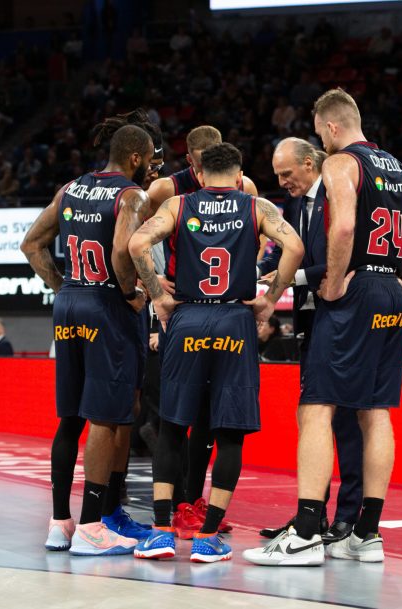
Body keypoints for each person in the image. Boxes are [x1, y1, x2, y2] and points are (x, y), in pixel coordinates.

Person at [245, 88, 402, 566]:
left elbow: (342, 229)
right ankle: (366, 532)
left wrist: (335, 283)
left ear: (332, 127)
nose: (321, 139)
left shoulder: (342, 164)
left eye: (321, 131)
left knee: (317, 406)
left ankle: (305, 532)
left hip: (356, 290)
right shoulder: (398, 169)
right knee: (376, 410)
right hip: (388, 292)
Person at [129, 142, 303, 562]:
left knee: (172, 426)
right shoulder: (256, 205)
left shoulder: (178, 204)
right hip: (234, 321)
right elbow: (294, 248)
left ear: (202, 174)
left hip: (187, 317)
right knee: (228, 432)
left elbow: (137, 244)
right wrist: (270, 297)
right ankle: (207, 537)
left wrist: (157, 296)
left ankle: (161, 532)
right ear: (240, 174)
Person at [21, 122, 154, 556]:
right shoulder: (129, 195)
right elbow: (121, 252)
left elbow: (31, 245)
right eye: (150, 159)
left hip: (70, 304)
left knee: (72, 418)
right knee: (107, 416)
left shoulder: (70, 189)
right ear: (136, 158)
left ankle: (61, 522)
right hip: (106, 306)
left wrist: (62, 286)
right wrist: (132, 292)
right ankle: (94, 526)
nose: (151, 166)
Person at [145, 125, 259, 534]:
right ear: (190, 161)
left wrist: (254, 277)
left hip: (193, 312)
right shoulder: (167, 191)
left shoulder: (244, 188)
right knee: (174, 420)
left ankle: (189, 507)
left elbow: (134, 240)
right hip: (187, 310)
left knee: (205, 425)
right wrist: (154, 286)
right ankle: (176, 511)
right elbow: (133, 234)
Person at [257, 136, 362, 545]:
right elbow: (278, 252)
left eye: (287, 173)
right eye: (278, 175)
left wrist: (288, 277)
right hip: (310, 317)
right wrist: (256, 269)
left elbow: (345, 258)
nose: (282, 181)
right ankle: (311, 516)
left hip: (342, 316)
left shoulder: (338, 197)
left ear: (309, 162)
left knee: (345, 420)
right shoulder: (296, 204)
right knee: (314, 420)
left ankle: (348, 517)